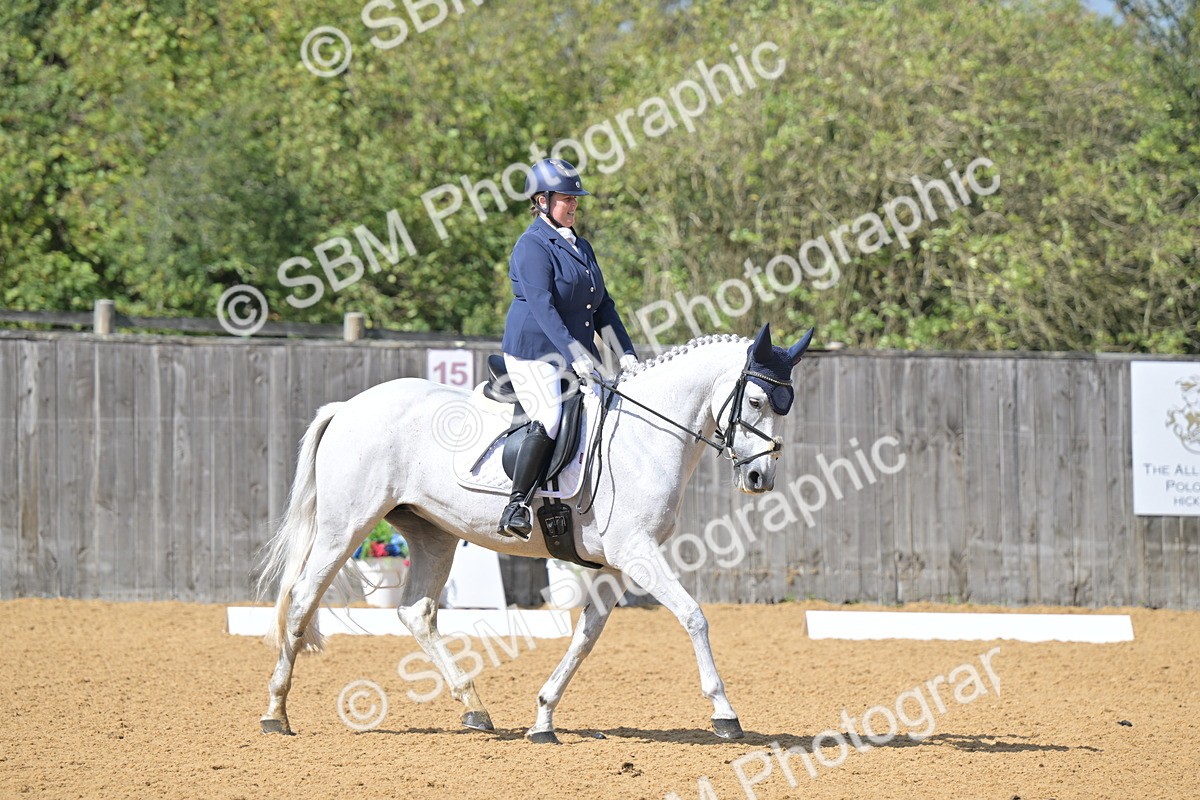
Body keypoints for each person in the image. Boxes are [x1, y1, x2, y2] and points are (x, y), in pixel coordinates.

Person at [497, 158, 639, 539]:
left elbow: (602, 304)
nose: (573, 205)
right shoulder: (531, 246)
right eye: (565, 198)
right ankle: (517, 505)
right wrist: (577, 354)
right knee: (550, 416)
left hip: (573, 350)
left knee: (604, 409)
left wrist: (624, 353)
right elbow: (543, 308)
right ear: (542, 201)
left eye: (576, 198)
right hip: (534, 351)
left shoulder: (581, 245)